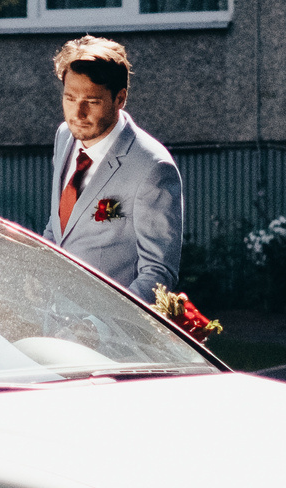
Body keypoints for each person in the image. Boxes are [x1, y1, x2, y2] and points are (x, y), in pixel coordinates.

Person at [43, 35, 184, 296]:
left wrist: (101, 327)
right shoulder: (65, 136)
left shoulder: (152, 168)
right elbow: (60, 225)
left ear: (120, 99)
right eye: (70, 98)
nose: (78, 113)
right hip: (53, 319)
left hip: (107, 330)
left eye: (92, 102)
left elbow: (158, 273)